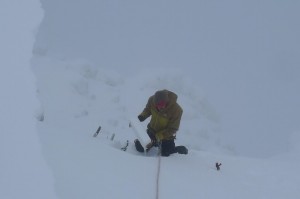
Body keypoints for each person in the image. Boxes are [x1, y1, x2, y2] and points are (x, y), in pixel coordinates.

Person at [135, 89, 188, 156]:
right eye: (157, 106)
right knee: (140, 148)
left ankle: (179, 148)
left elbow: (173, 129)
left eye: (162, 105)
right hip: (152, 131)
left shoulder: (177, 110)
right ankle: (145, 141)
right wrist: (142, 116)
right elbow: (148, 110)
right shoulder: (151, 100)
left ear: (167, 101)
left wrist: (159, 136)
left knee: (166, 154)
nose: (159, 108)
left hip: (166, 136)